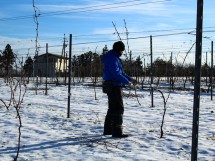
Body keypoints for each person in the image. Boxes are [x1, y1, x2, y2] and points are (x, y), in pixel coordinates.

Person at [101, 41, 136, 138]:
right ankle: (117, 132)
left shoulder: (114, 57)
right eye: (122, 50)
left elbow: (122, 73)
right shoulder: (113, 59)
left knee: (112, 108)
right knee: (119, 108)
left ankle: (108, 130)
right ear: (118, 49)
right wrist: (127, 83)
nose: (122, 52)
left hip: (112, 85)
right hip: (113, 86)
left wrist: (130, 79)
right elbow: (116, 74)